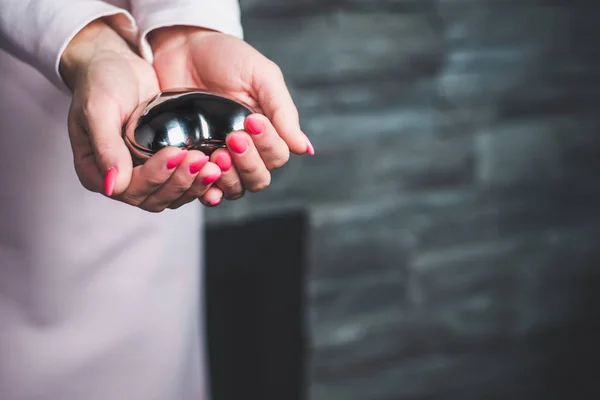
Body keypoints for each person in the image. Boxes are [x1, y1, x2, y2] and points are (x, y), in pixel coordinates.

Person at [0, 0, 313, 398]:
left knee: (150, 351)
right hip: (24, 85)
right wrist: (83, 37)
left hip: (155, 85)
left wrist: (187, 26)